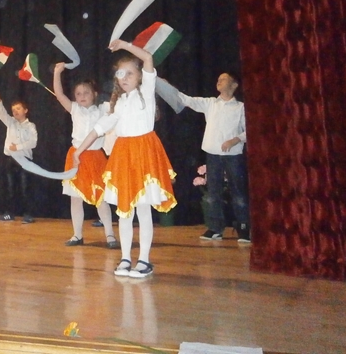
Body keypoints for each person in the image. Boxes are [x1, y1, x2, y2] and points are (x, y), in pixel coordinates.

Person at [73, 40, 176, 278]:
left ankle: (144, 260)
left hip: (143, 153)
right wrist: (79, 150)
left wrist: (124, 45)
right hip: (123, 156)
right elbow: (100, 127)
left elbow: (147, 58)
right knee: (124, 210)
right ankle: (126, 258)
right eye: (121, 74)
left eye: (130, 73)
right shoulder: (118, 103)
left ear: (140, 76)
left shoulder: (146, 92)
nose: (125, 77)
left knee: (143, 208)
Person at [178, 72, 249, 243]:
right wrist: (169, 88)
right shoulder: (210, 104)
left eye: (223, 79)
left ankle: (244, 228)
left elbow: (249, 130)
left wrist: (235, 139)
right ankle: (215, 228)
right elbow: (189, 100)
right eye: (218, 79)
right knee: (213, 193)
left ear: (234, 85)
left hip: (233, 155)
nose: (219, 81)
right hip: (213, 155)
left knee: (238, 193)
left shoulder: (240, 107)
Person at [52, 63, 117, 248]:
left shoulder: (103, 109)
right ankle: (77, 235)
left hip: (96, 158)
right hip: (76, 158)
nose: (82, 96)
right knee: (75, 198)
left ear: (94, 94)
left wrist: (117, 84)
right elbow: (59, 94)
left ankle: (110, 235)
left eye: (86, 93)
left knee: (101, 198)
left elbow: (116, 102)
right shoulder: (74, 109)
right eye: (78, 93)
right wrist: (57, 72)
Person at [0, 89, 38, 223]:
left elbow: (33, 142)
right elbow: (2, 113)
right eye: (13, 110)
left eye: (18, 108)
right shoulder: (10, 122)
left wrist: (17, 147)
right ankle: (9, 213)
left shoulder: (31, 126)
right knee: (10, 188)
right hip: (10, 160)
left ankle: (28, 214)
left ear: (25, 110)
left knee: (25, 188)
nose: (15, 111)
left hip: (24, 161)